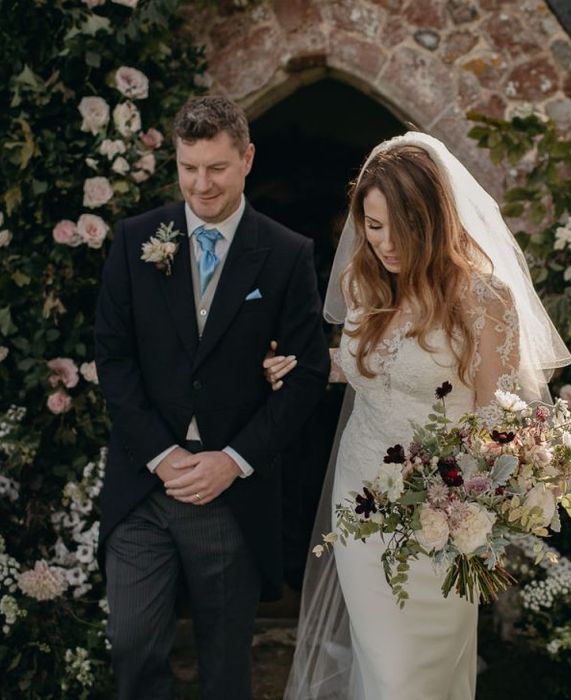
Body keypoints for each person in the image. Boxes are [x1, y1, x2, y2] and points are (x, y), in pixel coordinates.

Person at [269, 132, 571, 699]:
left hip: (441, 516)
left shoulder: (484, 299)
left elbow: (502, 418)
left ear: (431, 219)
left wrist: (486, 496)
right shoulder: (365, 283)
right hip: (360, 502)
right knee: (383, 672)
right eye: (371, 225)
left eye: (394, 227)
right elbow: (372, 368)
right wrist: (302, 363)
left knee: (412, 679)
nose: (381, 242)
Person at [94, 95, 329, 700]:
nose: (202, 184)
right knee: (133, 643)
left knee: (225, 667)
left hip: (232, 493)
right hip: (145, 485)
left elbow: (307, 375)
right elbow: (114, 361)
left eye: (217, 168)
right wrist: (160, 454)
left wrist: (233, 461)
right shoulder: (136, 240)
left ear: (246, 159)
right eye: (189, 167)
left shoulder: (286, 253)